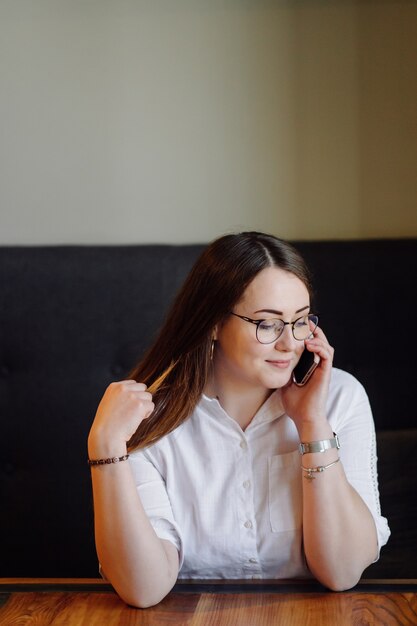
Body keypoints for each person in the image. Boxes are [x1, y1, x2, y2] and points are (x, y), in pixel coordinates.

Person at [88, 231, 390, 608]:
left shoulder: (341, 398)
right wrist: (105, 448)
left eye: (299, 321)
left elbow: (342, 572)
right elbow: (143, 588)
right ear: (213, 324)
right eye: (267, 323)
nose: (290, 343)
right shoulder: (147, 417)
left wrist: (312, 425)